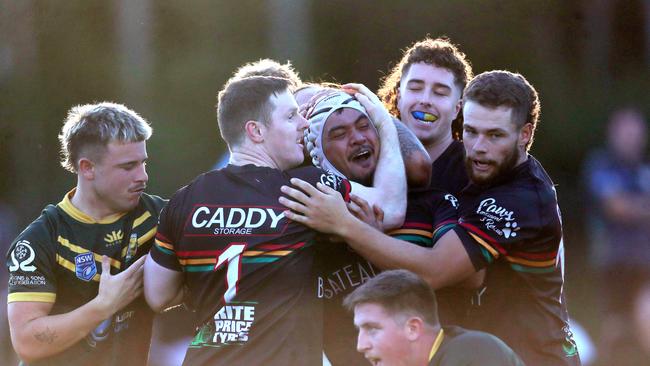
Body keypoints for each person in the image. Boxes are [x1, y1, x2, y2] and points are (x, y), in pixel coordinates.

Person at [280, 70, 581, 365]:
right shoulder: (470, 170)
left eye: (495, 135)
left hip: (536, 355)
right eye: (471, 132)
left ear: (525, 134)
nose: (478, 147)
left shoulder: (523, 197)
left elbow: (439, 270)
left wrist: (346, 226)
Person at [143, 73, 406, 365]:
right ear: (256, 131)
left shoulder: (186, 199)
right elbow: (391, 207)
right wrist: (383, 122)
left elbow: (158, 296)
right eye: (292, 116)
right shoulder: (304, 188)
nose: (304, 124)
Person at [301, 88, 457, 365]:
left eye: (365, 126)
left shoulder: (430, 202)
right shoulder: (309, 209)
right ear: (318, 153)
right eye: (338, 134)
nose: (358, 138)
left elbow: (468, 280)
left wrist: (370, 241)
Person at [6, 102, 165, 365]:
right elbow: (26, 342)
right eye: (128, 167)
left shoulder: (159, 218)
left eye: (143, 163)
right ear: (87, 168)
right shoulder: (39, 240)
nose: (143, 176)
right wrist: (104, 305)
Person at [582, 107, 650, 366]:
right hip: (613, 263)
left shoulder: (644, 169)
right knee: (615, 331)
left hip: (645, 264)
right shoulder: (600, 165)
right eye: (625, 131)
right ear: (613, 133)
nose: (631, 137)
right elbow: (616, 206)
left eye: (635, 131)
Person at [344, 269, 524, 366]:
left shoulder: (474, 350)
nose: (361, 346)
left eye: (372, 329)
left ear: (413, 328)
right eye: (359, 330)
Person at [378, 37, 474, 196]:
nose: (425, 100)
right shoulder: (372, 158)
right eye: (415, 88)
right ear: (399, 97)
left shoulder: (473, 171)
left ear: (457, 109)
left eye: (440, 93)